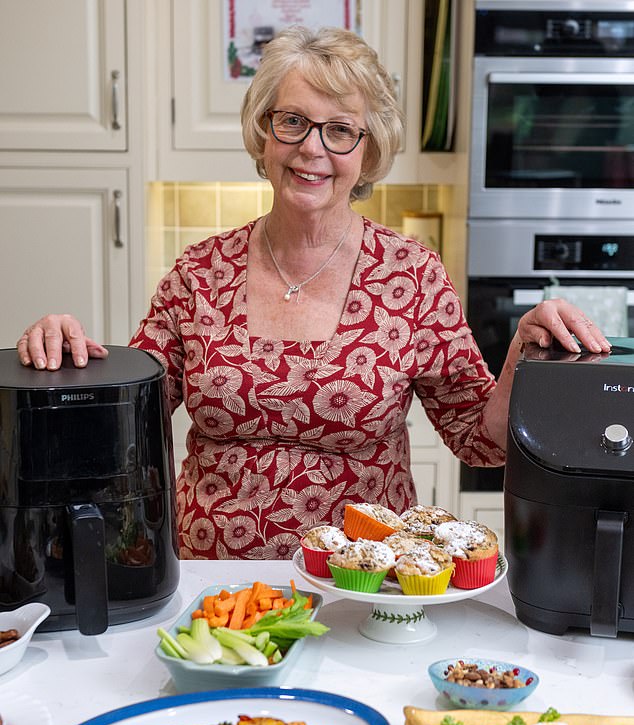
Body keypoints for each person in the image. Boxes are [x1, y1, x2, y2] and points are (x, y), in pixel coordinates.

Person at [16, 26, 610, 561]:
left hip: (366, 586)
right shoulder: (200, 271)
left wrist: (523, 357)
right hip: (213, 588)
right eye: (293, 121)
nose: (312, 148)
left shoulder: (412, 275)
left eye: (341, 130)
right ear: (264, 133)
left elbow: (482, 441)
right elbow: (125, 428)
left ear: (369, 150)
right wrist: (64, 366)